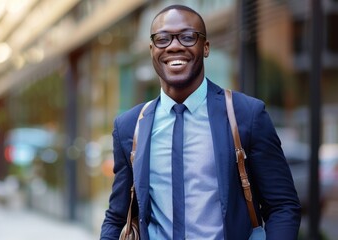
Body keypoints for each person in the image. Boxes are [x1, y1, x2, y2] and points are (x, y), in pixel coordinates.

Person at [100, 4, 301, 240]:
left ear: (205, 47)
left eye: (187, 37)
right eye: (163, 39)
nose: (174, 46)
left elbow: (283, 206)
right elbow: (117, 216)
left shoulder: (247, 114)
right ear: (152, 49)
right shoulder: (129, 126)